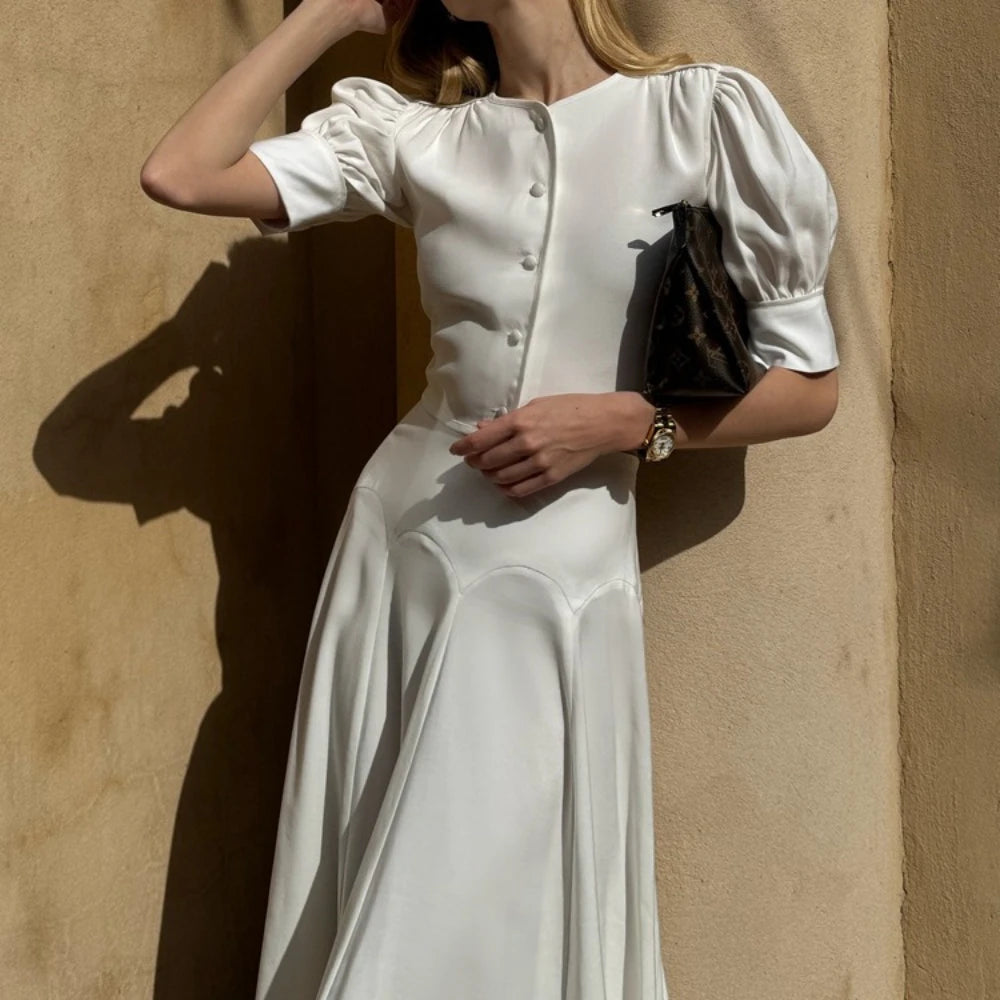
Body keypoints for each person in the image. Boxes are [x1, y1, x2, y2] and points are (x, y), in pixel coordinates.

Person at [140, 0, 840, 996]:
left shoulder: (699, 116)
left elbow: (810, 388)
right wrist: (325, 18)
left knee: (499, 914)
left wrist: (619, 424)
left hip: (561, 581)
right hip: (403, 556)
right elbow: (181, 173)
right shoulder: (414, 135)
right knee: (396, 913)